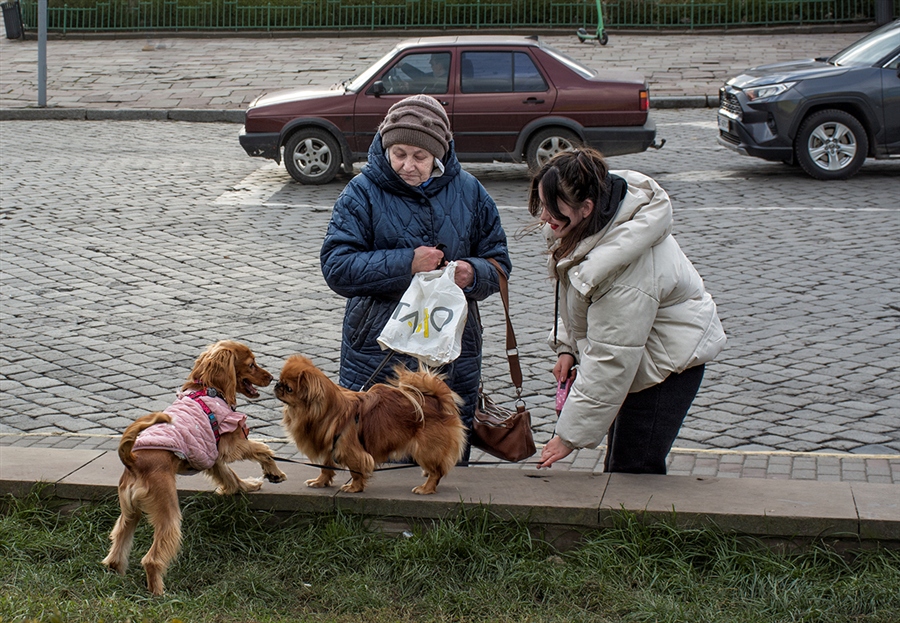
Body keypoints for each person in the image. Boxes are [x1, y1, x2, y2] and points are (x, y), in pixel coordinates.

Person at [320, 94, 512, 459]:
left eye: (420, 157)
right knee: (372, 452)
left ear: (439, 154)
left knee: (443, 455)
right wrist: (407, 263)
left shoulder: (471, 191)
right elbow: (337, 266)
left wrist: (473, 273)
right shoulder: (361, 193)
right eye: (399, 154)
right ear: (385, 148)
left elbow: (499, 263)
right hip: (377, 349)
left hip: (452, 350)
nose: (408, 165)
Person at [530, 148, 726, 474]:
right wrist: (567, 347)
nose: (543, 217)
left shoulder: (623, 265)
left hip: (667, 364)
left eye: (552, 209)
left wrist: (568, 437)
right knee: (622, 463)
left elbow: (612, 356)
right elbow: (578, 296)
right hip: (640, 351)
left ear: (586, 208)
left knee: (633, 468)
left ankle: (643, 526)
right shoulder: (590, 225)